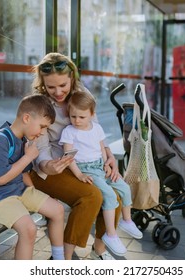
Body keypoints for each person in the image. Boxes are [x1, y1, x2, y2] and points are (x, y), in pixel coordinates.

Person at [29, 52, 122, 260]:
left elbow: (95, 128)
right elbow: (40, 146)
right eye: (51, 87)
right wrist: (47, 165)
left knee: (114, 196)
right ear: (43, 83)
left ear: (72, 78)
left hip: (84, 163)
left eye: (63, 85)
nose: (58, 91)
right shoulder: (39, 104)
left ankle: (99, 249)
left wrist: (108, 156)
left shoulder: (81, 94)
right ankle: (64, 257)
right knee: (91, 196)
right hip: (51, 168)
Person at [0, 94, 65, 260]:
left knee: (57, 210)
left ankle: (60, 260)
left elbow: (24, 173)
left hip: (18, 190)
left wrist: (37, 196)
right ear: (26, 118)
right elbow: (1, 179)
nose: (43, 132)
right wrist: (28, 157)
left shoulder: (23, 140)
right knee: (29, 230)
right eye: (42, 127)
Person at [59, 91, 143, 256]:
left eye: (81, 117)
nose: (76, 120)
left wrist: (108, 165)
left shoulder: (96, 128)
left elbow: (101, 148)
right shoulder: (69, 131)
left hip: (100, 166)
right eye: (73, 116)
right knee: (110, 196)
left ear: (92, 114)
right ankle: (110, 234)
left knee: (124, 188)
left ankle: (127, 221)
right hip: (86, 169)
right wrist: (79, 175)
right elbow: (68, 158)